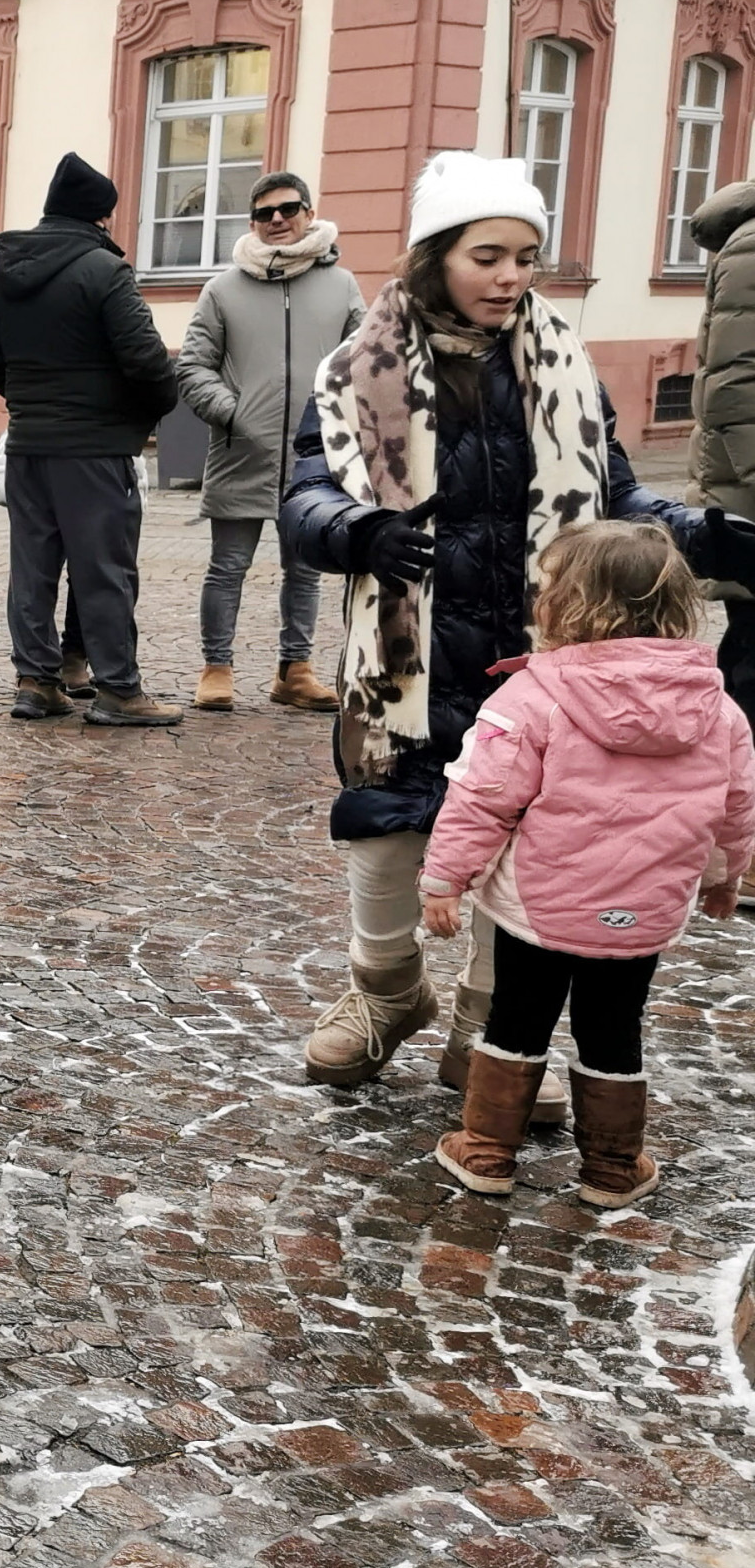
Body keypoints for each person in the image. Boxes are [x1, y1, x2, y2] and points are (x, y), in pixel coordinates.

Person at [280, 150, 755, 1100]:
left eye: (527, 257)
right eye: (487, 255)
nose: (510, 278)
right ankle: (386, 993)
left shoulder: (564, 361)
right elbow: (304, 499)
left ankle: (484, 1029)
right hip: (403, 653)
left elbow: (614, 498)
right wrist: (361, 530)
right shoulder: (353, 370)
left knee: (528, 836)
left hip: (546, 658)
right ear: (434, 256)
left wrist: (710, 535)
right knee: (384, 831)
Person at [418, 521, 753, 1208]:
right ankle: (611, 1166)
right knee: (614, 1022)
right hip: (645, 907)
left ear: (566, 604)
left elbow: (482, 797)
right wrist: (726, 878)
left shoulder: (533, 697)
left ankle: (486, 1149)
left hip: (542, 904)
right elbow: (734, 807)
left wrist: (444, 878)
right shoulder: (717, 709)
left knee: (517, 1014)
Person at [0, 153, 184, 726]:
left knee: (32, 569)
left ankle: (35, 683)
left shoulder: (4, 274)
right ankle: (118, 690)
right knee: (104, 570)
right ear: (100, 217)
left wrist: (30, 403)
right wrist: (146, 411)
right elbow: (146, 360)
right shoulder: (104, 271)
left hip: (28, 444)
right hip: (93, 449)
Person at [174, 172, 361, 713]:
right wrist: (234, 415)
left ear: (308, 211)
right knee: (227, 567)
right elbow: (193, 367)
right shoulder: (223, 289)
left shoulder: (341, 286)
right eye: (264, 213)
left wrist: (336, 423)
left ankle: (295, 670)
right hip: (241, 451)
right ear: (252, 223)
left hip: (314, 458)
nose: (277, 220)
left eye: (289, 208)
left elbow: (367, 363)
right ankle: (216, 667)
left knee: (305, 569)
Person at [684, 178, 755, 906]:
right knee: (754, 673)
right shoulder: (752, 244)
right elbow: (736, 391)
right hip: (749, 507)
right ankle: (738, 843)